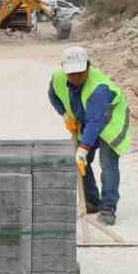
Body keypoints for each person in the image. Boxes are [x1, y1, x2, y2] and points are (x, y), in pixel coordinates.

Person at [48, 45, 130, 225]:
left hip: (110, 123)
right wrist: (64, 115)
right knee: (80, 163)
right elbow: (53, 96)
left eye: (80, 72)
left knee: (107, 164)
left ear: (88, 66)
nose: (75, 77)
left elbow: (96, 122)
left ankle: (108, 209)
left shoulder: (99, 89)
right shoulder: (58, 78)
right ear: (63, 68)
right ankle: (91, 202)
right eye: (71, 73)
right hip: (87, 119)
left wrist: (83, 149)